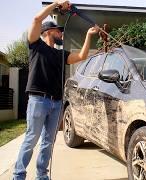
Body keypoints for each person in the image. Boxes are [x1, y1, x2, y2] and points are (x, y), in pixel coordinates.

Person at [12, 0, 99, 179]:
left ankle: (42, 176)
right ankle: (18, 175)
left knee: (47, 142)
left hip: (56, 102)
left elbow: (81, 56)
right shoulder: (35, 45)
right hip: (38, 100)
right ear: (48, 31)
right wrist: (56, 4)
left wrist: (89, 35)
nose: (61, 33)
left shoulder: (61, 54)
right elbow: (37, 19)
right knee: (31, 140)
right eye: (58, 30)